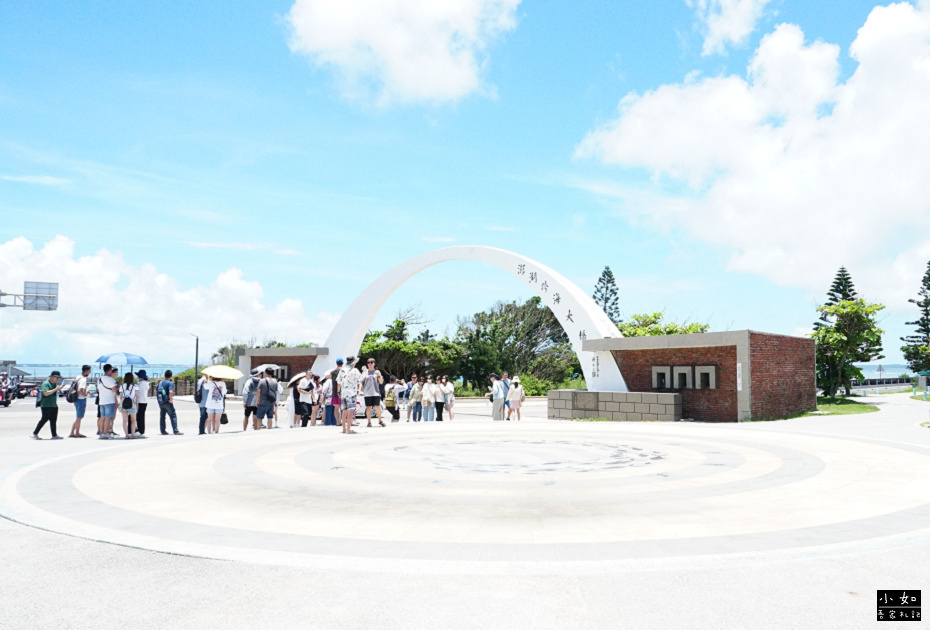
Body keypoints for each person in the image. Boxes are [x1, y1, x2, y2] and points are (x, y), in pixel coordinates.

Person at [31, 370, 64, 440]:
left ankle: (54, 435)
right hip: (46, 405)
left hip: (53, 405)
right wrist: (55, 389)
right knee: (44, 420)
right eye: (56, 377)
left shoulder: (54, 384)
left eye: (58, 378)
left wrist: (57, 389)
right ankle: (35, 433)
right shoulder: (46, 383)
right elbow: (45, 393)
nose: (57, 379)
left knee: (53, 420)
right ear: (52, 377)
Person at [338, 356, 361, 434]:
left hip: (343, 393)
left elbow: (338, 382)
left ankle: (344, 429)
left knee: (344, 410)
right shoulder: (355, 370)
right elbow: (360, 379)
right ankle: (348, 429)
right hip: (352, 392)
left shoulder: (342, 370)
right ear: (353, 363)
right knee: (351, 411)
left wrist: (339, 392)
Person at [157, 370, 183, 435]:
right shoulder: (170, 383)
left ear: (164, 375)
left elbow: (155, 391)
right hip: (167, 401)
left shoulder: (160, 382)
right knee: (173, 415)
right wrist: (171, 400)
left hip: (161, 402)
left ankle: (163, 431)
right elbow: (170, 392)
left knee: (162, 416)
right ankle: (175, 430)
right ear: (171, 376)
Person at [361, 358, 385, 428]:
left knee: (377, 406)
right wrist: (364, 374)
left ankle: (380, 421)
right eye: (368, 362)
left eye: (372, 362)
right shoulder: (365, 372)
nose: (370, 364)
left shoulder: (377, 371)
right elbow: (361, 381)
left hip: (376, 392)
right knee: (368, 407)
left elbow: (381, 382)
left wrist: (378, 376)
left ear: (374, 363)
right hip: (367, 393)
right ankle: (369, 422)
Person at [69, 365, 91, 438]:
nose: (90, 372)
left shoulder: (78, 377)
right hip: (81, 399)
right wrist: (85, 395)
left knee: (78, 416)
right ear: (87, 371)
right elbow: (79, 390)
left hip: (76, 399)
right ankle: (77, 432)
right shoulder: (83, 379)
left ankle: (72, 432)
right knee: (79, 417)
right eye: (89, 371)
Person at [98, 364, 119, 438]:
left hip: (102, 401)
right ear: (109, 370)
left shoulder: (100, 378)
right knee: (108, 418)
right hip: (109, 400)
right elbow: (114, 389)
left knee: (102, 417)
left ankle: (101, 432)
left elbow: (98, 390)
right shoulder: (110, 379)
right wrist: (118, 384)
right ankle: (105, 433)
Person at [118, 372, 140, 439]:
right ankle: (133, 434)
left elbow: (121, 396)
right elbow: (137, 396)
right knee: (133, 420)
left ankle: (126, 435)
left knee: (124, 421)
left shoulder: (122, 386)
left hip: (123, 404)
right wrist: (137, 404)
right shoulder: (135, 386)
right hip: (132, 404)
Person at [135, 370, 149, 435]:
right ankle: (141, 430)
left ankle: (140, 430)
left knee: (139, 417)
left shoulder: (140, 384)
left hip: (140, 401)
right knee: (142, 416)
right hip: (145, 401)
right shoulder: (146, 383)